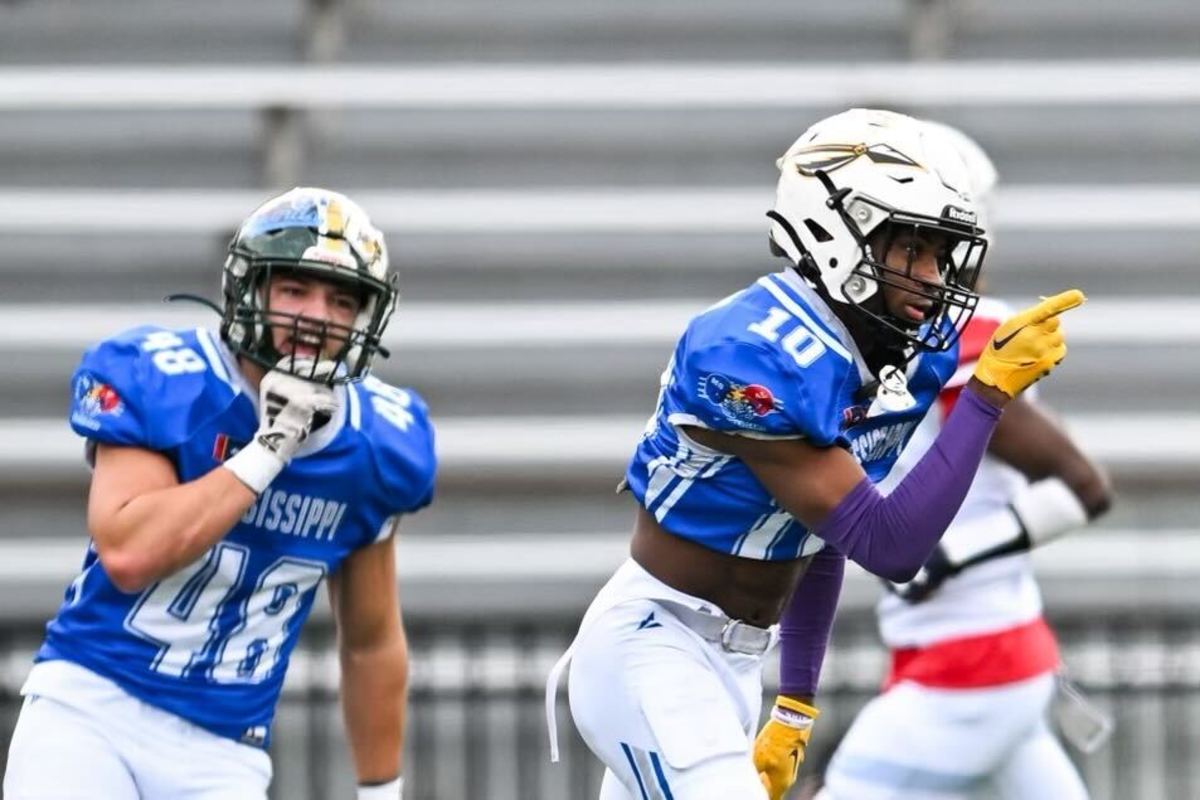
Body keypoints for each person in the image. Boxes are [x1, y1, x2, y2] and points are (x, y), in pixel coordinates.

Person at [544, 107, 1086, 800]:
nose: (932, 274)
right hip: (655, 645)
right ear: (840, 234)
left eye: (937, 253)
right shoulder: (751, 353)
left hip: (735, 663)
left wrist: (794, 702)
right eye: (912, 249)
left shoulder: (874, 354)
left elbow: (815, 536)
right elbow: (888, 545)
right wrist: (983, 397)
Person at [3, 188, 435, 800]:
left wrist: (382, 793)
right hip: (92, 710)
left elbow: (369, 641)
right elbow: (129, 552)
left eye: (341, 301)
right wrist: (267, 450)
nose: (316, 315)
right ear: (249, 290)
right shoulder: (164, 377)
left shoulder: (378, 443)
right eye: (294, 289)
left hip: (224, 750)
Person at [815, 122, 1113, 800]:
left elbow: (1084, 486)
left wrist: (944, 558)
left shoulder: (958, 344)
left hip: (972, 665)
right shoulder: (888, 340)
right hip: (974, 657)